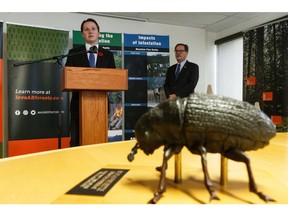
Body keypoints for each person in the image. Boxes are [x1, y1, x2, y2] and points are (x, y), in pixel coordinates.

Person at [65, 18, 116, 147]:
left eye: (93, 29)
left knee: (99, 140)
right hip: (79, 105)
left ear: (99, 33)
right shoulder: (74, 53)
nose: (90, 31)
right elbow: (68, 76)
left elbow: (114, 78)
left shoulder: (108, 55)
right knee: (77, 140)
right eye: (86, 29)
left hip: (101, 104)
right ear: (82, 34)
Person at [156, 43, 199, 171]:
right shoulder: (171, 69)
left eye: (181, 51)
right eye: (176, 51)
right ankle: (166, 163)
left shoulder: (193, 67)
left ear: (186, 52)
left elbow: (191, 85)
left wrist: (176, 95)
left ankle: (190, 164)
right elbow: (166, 85)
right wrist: (170, 95)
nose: (178, 53)